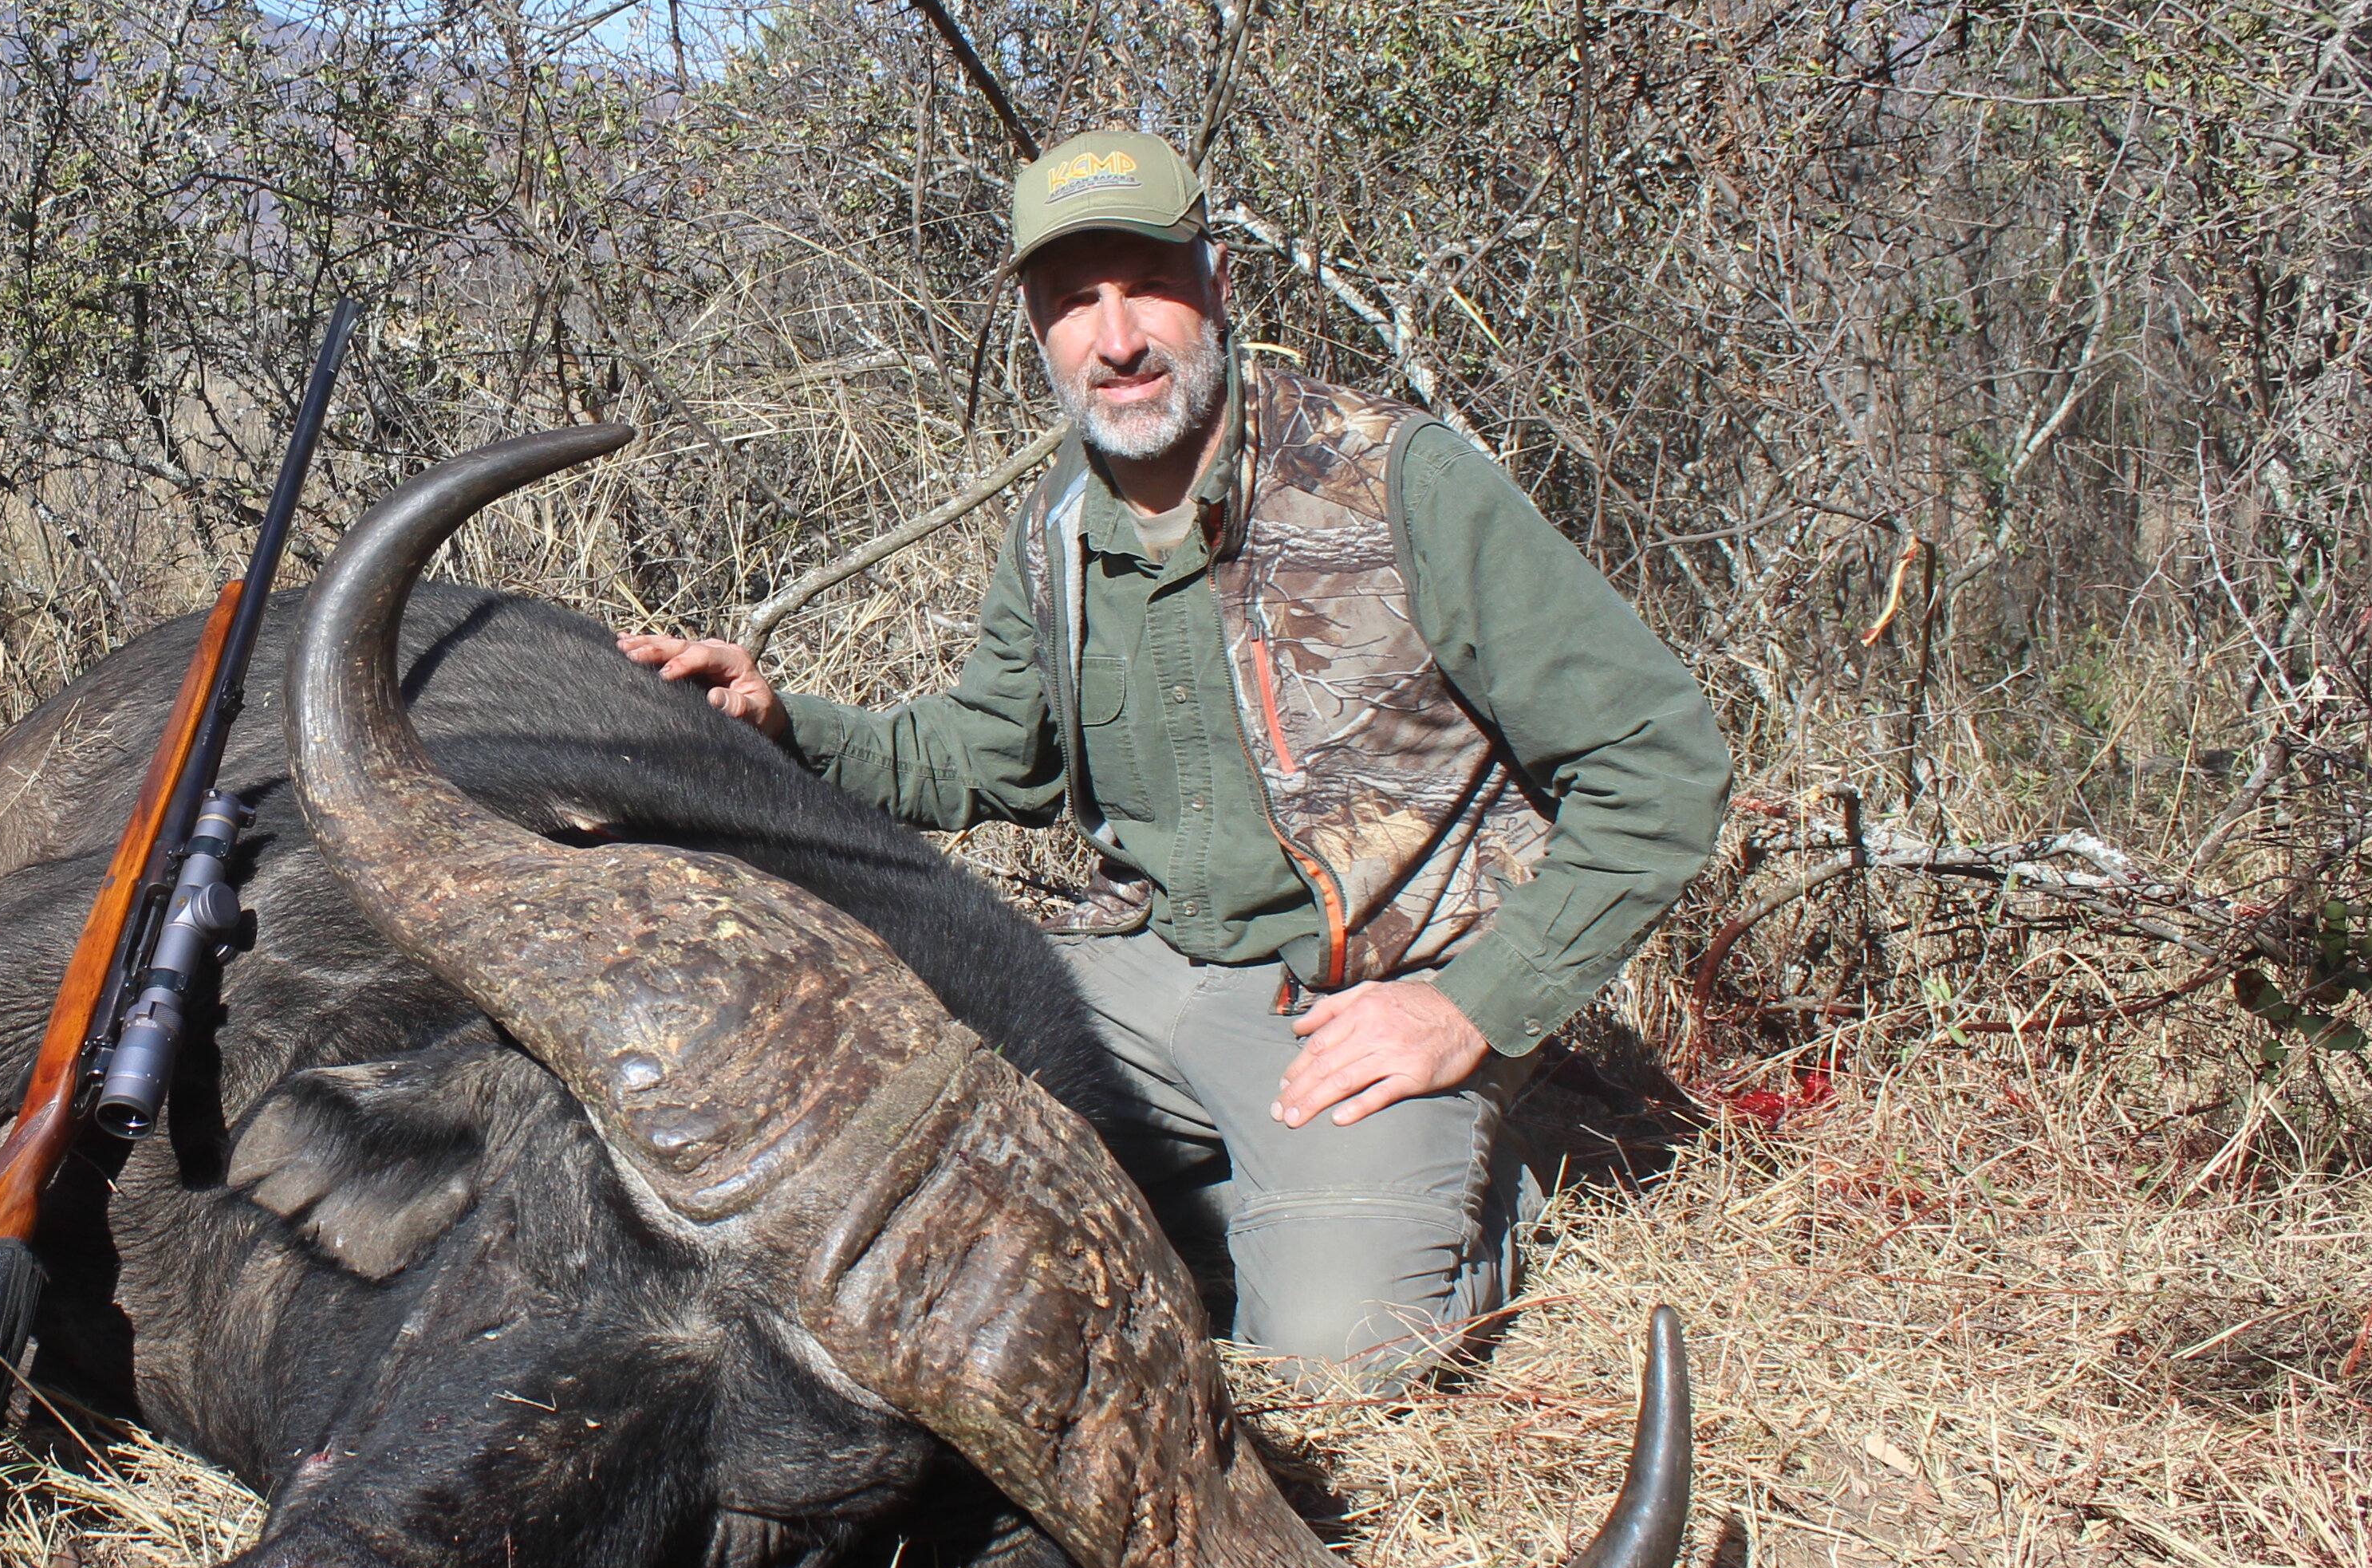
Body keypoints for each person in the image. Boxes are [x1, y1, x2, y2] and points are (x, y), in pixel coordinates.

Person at [621, 126, 1729, 1381]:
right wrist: (780, 722)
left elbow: (1659, 760)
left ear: (1215, 283)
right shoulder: (1055, 524)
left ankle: (1486, 1166)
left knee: (1325, 1358)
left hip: (1350, 1003)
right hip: (1136, 977)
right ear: (1039, 331)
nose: (1119, 337)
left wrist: (1467, 1008)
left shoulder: (1396, 479)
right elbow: (989, 756)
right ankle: (1238, 1191)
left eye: (1146, 283)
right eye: (1073, 302)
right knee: (882, 1159)